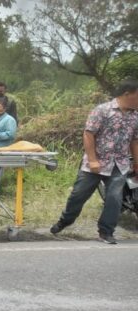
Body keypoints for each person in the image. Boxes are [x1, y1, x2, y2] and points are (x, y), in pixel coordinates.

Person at [50, 79, 138, 244]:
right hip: (95, 163)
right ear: (128, 94)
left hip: (119, 164)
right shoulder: (102, 110)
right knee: (78, 195)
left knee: (115, 197)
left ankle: (106, 232)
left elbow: (134, 140)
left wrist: (136, 163)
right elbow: (88, 134)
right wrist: (92, 160)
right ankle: (65, 221)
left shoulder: (135, 116)